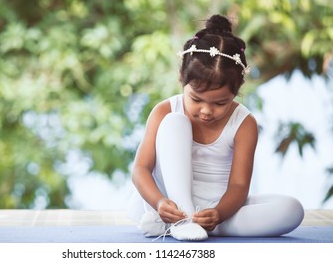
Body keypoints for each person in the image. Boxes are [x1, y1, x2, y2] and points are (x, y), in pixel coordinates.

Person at [128, 14, 304, 241]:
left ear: (237, 90)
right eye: (196, 99)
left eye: (220, 103)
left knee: (292, 210)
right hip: (171, 200)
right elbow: (140, 169)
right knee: (174, 122)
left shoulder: (244, 123)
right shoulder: (165, 110)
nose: (206, 111)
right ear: (182, 78)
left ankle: (199, 224)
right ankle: (182, 218)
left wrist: (219, 214)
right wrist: (160, 203)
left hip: (217, 207)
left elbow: (239, 185)